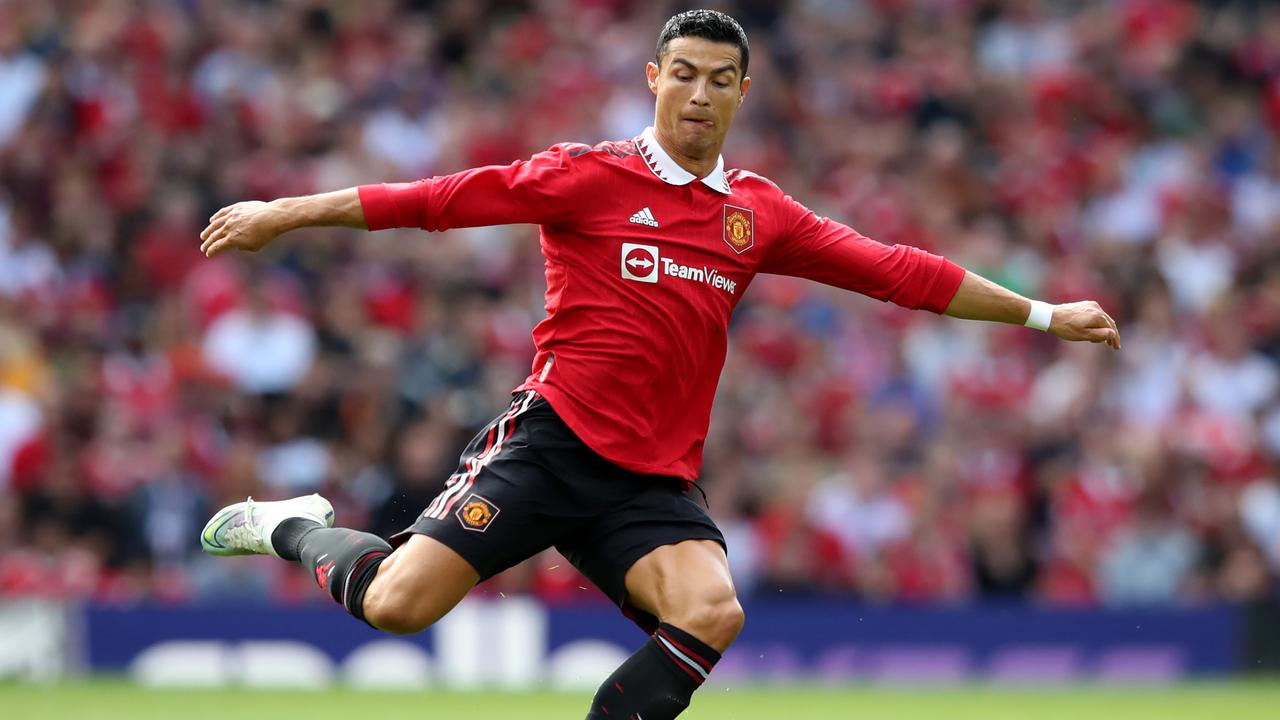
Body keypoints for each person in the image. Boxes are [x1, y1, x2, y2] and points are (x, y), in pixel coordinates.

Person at [197, 10, 1121, 718]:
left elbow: (899, 272)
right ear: (653, 79)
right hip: (552, 443)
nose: (700, 95)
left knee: (713, 612)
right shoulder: (586, 175)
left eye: (721, 80)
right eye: (683, 74)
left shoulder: (759, 214)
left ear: (742, 93)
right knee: (398, 606)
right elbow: (435, 200)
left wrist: (1044, 313)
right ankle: (289, 526)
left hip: (650, 481)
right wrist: (285, 210)